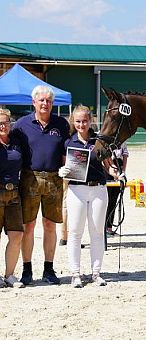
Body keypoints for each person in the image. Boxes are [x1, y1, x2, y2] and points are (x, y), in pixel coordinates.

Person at [13, 85, 70, 285]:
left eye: (49, 101)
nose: (45, 104)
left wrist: (69, 170)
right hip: (29, 178)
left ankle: (49, 269)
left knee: (50, 225)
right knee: (28, 226)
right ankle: (27, 270)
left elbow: (69, 151)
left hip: (55, 179)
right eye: (42, 100)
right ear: (34, 102)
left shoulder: (61, 124)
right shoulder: (20, 125)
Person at [58, 104, 113, 288]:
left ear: (90, 121)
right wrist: (63, 171)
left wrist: (117, 173)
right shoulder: (68, 142)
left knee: (97, 232)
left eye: (85, 121)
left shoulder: (99, 141)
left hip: (98, 189)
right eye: (78, 121)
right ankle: (75, 274)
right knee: (75, 231)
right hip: (77, 190)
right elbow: (65, 165)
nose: (82, 124)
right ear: (74, 122)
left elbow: (108, 165)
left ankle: (96, 272)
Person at [0, 109, 24, 288]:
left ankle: (9, 275)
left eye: (6, 122)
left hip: (14, 194)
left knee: (16, 235)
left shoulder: (16, 143)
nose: (3, 126)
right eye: (0, 123)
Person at [105, 142, 129, 237]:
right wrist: (112, 171)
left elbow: (125, 155)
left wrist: (123, 171)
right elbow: (105, 156)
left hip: (119, 166)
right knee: (106, 199)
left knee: (114, 200)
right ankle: (104, 227)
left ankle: (109, 227)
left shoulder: (123, 141)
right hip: (108, 167)